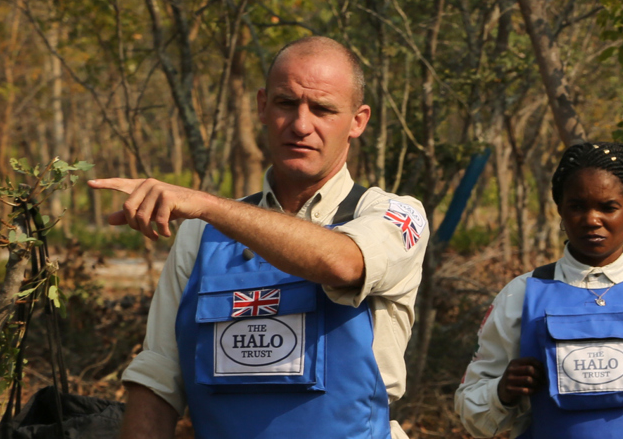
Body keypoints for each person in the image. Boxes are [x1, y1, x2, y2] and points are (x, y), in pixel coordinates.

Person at [97, 36, 427, 439]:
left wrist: (208, 205)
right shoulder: (201, 233)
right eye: (287, 103)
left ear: (357, 121)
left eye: (323, 109)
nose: (302, 125)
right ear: (262, 106)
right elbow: (159, 374)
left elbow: (342, 261)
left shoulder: (393, 214)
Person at [455, 142, 623, 439]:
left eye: (608, 207)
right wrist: (502, 391)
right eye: (577, 207)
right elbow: (472, 414)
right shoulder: (521, 295)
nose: (591, 220)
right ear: (560, 210)